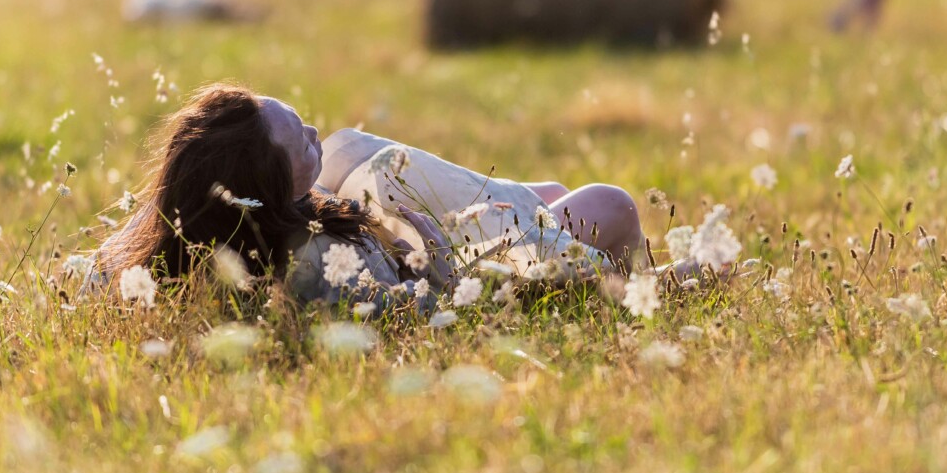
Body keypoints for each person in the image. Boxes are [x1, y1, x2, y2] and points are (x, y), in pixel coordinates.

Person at [96, 83, 648, 309]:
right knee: (609, 203)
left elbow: (93, 267)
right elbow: (420, 311)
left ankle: (638, 275)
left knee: (551, 192)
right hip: (448, 263)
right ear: (266, 187)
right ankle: (649, 290)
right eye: (298, 143)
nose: (313, 132)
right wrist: (433, 264)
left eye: (300, 121)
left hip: (388, 222)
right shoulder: (315, 267)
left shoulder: (185, 218)